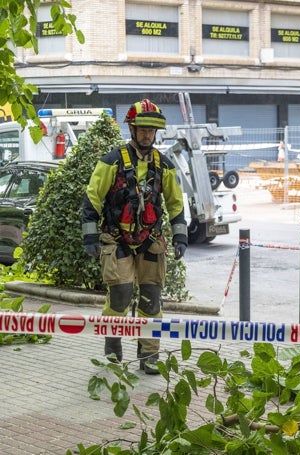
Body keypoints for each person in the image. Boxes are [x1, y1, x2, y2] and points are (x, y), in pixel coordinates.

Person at [81, 99, 188, 374]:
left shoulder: (164, 165)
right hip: (116, 238)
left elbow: (175, 203)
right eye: (142, 129)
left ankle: (149, 354)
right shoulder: (111, 162)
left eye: (151, 131)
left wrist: (180, 236)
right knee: (120, 294)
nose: (147, 135)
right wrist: (90, 237)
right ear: (132, 129)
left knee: (152, 297)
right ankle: (113, 344)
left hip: (150, 239)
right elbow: (92, 198)